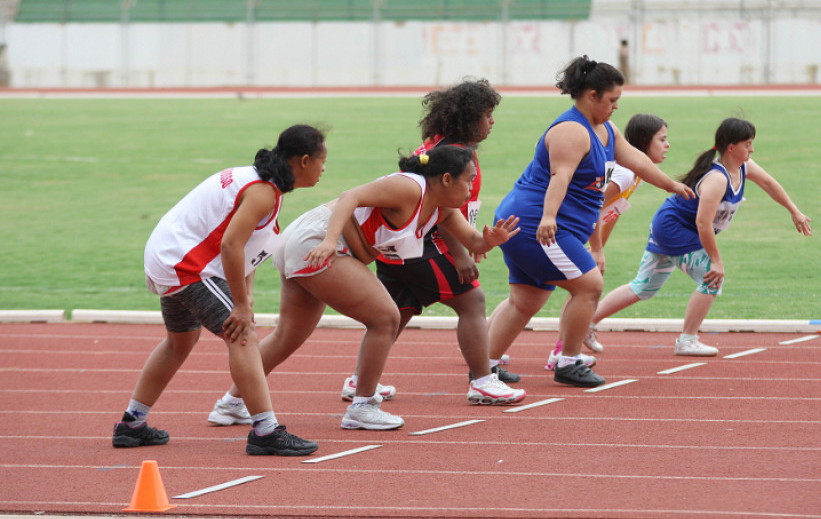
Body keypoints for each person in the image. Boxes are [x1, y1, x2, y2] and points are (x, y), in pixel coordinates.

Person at [209, 144, 520, 431]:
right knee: (385, 318)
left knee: (288, 335)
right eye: (470, 180)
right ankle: (362, 406)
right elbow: (349, 196)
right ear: (448, 179)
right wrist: (331, 241)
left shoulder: (443, 210)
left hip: (305, 241)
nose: (472, 188)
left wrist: (491, 241)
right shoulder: (408, 187)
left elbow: (475, 241)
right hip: (317, 239)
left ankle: (231, 404)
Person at [112, 124, 328, 456]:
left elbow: (250, 246)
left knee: (180, 341)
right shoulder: (262, 192)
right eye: (321, 160)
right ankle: (266, 431)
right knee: (243, 335)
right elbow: (231, 245)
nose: (323, 168)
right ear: (302, 161)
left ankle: (132, 423)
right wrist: (240, 305)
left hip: (167, 257)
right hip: (185, 264)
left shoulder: (259, 182)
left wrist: (246, 292)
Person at [486, 55, 694, 388]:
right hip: (537, 223)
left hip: (536, 223)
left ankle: (485, 367)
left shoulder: (605, 130)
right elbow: (560, 177)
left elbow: (637, 160)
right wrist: (549, 217)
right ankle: (567, 361)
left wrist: (670, 184)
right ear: (591, 95)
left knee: (526, 299)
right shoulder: (571, 131)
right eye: (612, 100)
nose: (616, 108)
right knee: (590, 285)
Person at [351, 78, 525, 405]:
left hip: (398, 240)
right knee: (471, 301)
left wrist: (474, 239)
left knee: (395, 312)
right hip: (422, 241)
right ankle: (483, 381)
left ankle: (360, 380)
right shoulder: (455, 157)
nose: (492, 121)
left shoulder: (435, 146)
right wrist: (462, 252)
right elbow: (442, 209)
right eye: (487, 114)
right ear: (469, 117)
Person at [584, 117, 813, 356]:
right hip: (675, 228)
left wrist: (794, 210)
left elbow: (767, 182)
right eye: (748, 144)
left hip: (669, 225)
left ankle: (587, 322)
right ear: (731, 147)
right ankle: (687, 339)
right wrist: (716, 259)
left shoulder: (743, 166)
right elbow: (702, 224)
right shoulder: (717, 179)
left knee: (644, 286)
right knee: (712, 277)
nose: (752, 149)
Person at [543, 113, 671, 366]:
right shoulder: (623, 174)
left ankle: (564, 347)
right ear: (645, 141)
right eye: (662, 139)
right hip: (570, 231)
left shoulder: (633, 173)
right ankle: (561, 351)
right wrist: (596, 248)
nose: (668, 145)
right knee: (562, 290)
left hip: (581, 233)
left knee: (542, 291)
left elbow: (609, 211)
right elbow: (593, 204)